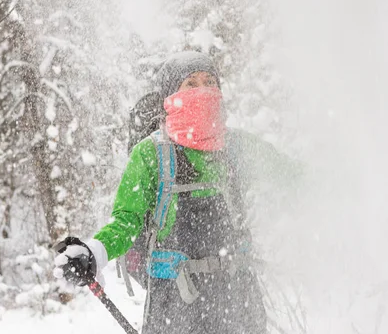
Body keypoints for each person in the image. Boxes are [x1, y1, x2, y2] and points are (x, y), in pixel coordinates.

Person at [53, 51, 294, 334]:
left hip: (238, 299)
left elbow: (291, 176)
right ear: (170, 95)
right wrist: (95, 253)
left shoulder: (237, 147)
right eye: (190, 84)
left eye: (209, 82)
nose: (202, 90)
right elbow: (126, 222)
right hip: (177, 308)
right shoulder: (151, 154)